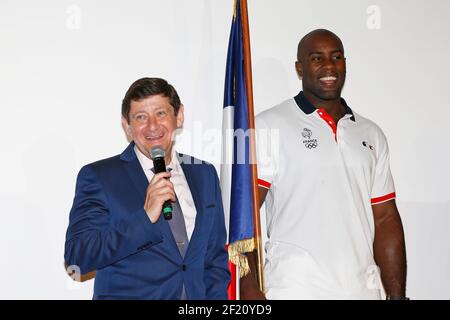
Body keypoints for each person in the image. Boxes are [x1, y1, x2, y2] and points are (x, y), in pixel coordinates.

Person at [241, 29, 407, 300]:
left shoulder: (370, 133)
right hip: (294, 289)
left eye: (336, 57)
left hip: (362, 291)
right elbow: (244, 216)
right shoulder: (268, 125)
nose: (329, 66)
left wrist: (397, 294)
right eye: (317, 58)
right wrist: (249, 287)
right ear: (300, 68)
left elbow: (386, 219)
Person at [64, 77, 230, 299]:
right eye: (141, 117)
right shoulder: (100, 176)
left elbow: (215, 261)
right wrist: (144, 217)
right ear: (127, 125)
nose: (152, 126)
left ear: (179, 116)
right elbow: (78, 258)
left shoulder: (204, 174)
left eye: (161, 113)